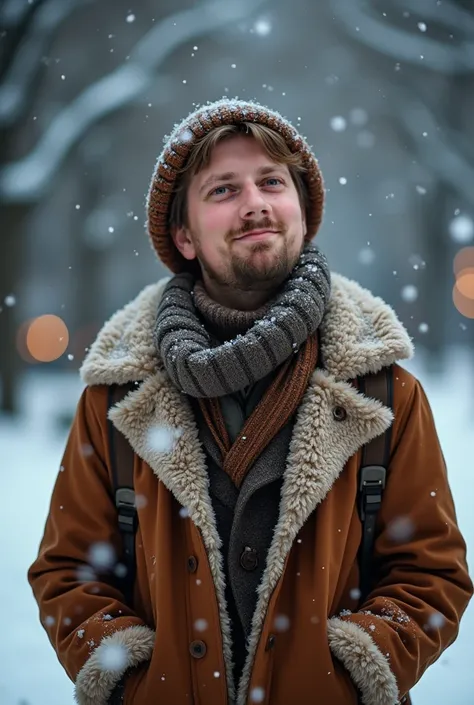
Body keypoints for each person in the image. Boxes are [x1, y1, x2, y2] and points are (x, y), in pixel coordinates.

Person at [28, 98, 472, 705]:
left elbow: (432, 573)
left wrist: (348, 671)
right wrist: (134, 680)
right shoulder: (117, 399)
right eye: (223, 190)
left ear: (303, 208)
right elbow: (69, 572)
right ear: (183, 235)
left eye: (271, 181)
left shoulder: (382, 391)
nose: (255, 202)